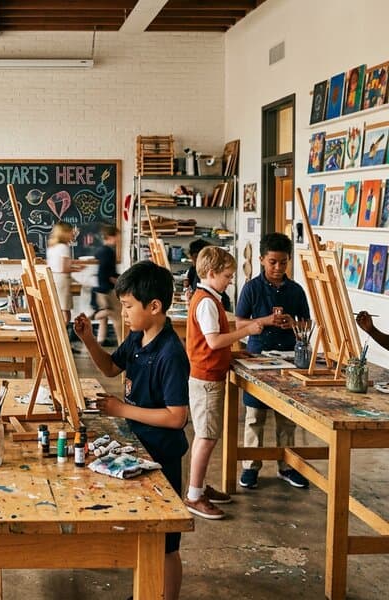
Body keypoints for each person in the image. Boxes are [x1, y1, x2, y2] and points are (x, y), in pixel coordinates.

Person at [74, 260, 189, 600]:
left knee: (166, 540)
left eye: (127, 306)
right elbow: (110, 367)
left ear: (154, 306)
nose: (123, 313)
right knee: (146, 532)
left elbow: (176, 417)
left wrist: (121, 409)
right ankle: (148, 591)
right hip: (140, 449)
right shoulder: (138, 338)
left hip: (162, 454)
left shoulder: (170, 353)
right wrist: (87, 339)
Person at [184, 247, 262, 519]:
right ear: (211, 273)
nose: (231, 280)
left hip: (210, 375)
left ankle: (199, 487)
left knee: (207, 434)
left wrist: (236, 353)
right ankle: (194, 495)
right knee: (206, 437)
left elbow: (216, 344)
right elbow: (214, 341)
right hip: (206, 379)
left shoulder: (209, 297)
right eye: (227, 276)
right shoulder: (206, 302)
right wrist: (246, 331)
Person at [235, 232, 310, 490]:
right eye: (272, 262)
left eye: (283, 262)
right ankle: (250, 467)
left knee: (287, 416)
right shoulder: (252, 288)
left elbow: (307, 323)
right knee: (255, 416)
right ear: (261, 260)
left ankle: (286, 466)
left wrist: (294, 323)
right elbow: (238, 322)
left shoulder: (296, 290)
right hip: (259, 356)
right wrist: (264, 321)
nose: (278, 268)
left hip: (289, 357)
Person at [47, 222, 83, 341]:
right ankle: (61, 340)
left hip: (53, 278)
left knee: (57, 311)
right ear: (65, 233)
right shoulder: (63, 247)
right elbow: (64, 268)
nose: (72, 234)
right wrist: (79, 269)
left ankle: (57, 339)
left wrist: (74, 265)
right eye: (70, 232)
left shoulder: (52, 246)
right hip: (62, 281)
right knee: (65, 313)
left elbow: (57, 265)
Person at [92, 224, 122, 347]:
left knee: (103, 321)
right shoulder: (108, 252)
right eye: (117, 236)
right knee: (118, 317)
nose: (118, 239)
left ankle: (100, 341)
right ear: (110, 236)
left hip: (100, 288)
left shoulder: (100, 250)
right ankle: (122, 342)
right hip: (107, 289)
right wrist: (119, 282)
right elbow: (108, 273)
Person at [184, 239, 232, 311]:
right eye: (227, 276)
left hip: (220, 305)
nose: (230, 281)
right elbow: (191, 288)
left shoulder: (207, 301)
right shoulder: (193, 269)